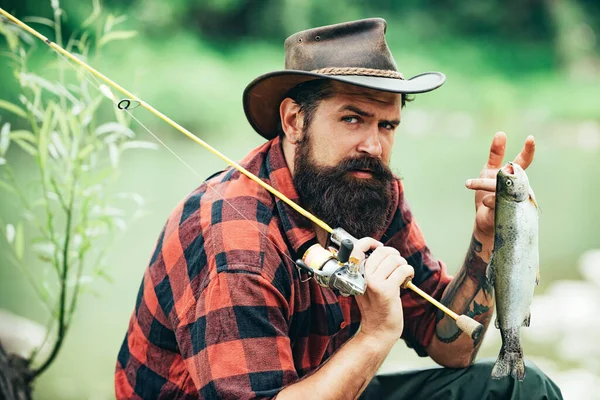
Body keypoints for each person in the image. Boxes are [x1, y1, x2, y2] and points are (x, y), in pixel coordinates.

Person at [115, 18, 562, 399]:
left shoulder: (368, 188)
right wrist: (375, 335)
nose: (373, 145)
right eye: (352, 119)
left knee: (523, 388)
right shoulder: (236, 241)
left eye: (387, 125)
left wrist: (490, 234)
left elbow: (454, 346)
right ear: (293, 121)